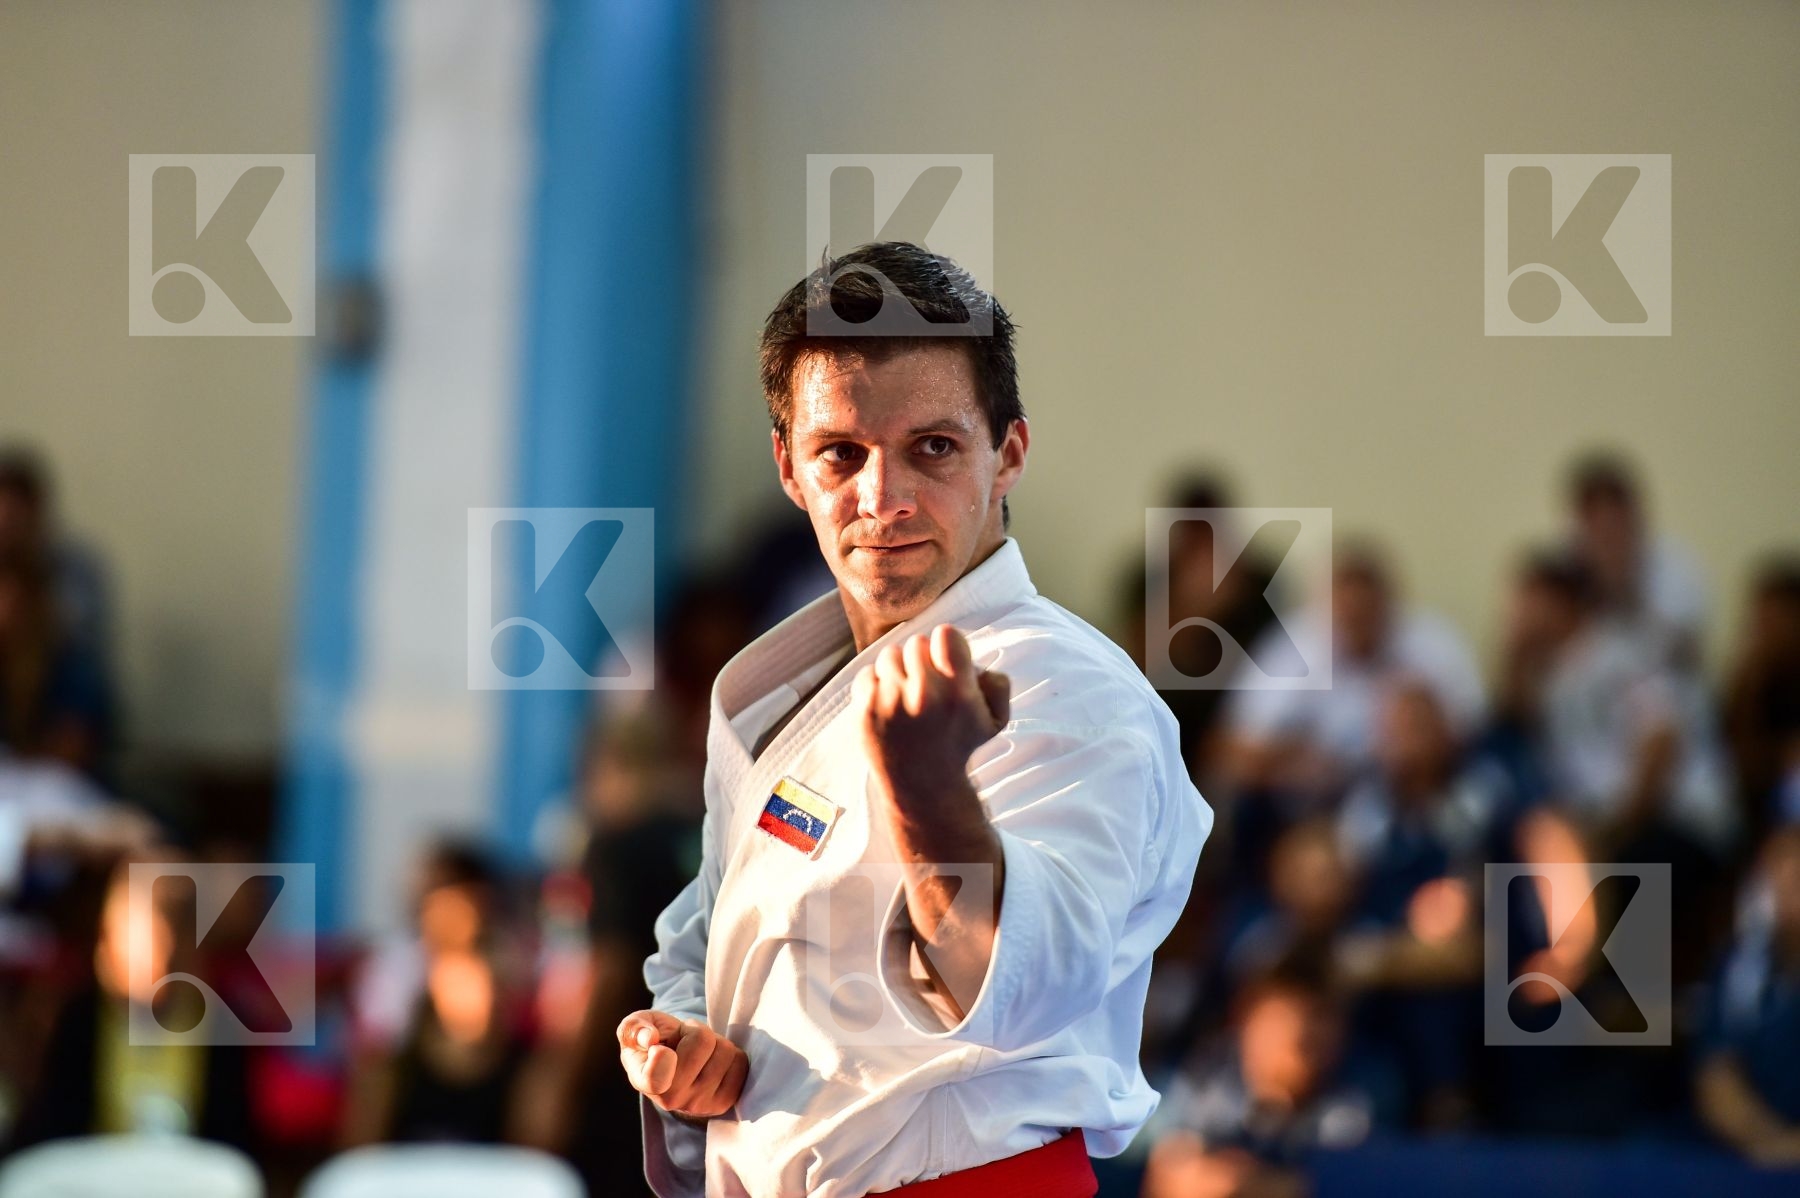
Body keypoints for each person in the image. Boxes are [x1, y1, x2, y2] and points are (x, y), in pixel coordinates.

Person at [618, 242, 1212, 1197]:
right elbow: (710, 930)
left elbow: (1027, 985)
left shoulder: (1072, 691)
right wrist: (695, 1038)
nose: (881, 498)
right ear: (787, 467)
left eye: (932, 448)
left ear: (1007, 451)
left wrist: (932, 794)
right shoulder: (780, 691)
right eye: (839, 453)